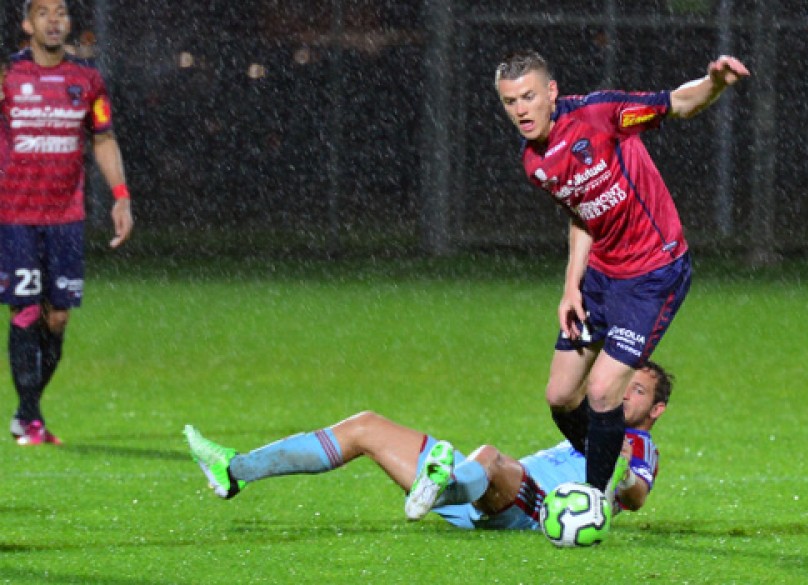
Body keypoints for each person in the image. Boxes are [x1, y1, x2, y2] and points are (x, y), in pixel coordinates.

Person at [493, 50, 748, 493]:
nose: (520, 110)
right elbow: (582, 216)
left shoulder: (600, 115)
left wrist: (716, 84)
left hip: (653, 273)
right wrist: (571, 285)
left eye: (528, 96)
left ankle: (592, 501)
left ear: (551, 93)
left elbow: (677, 103)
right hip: (600, 277)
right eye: (510, 101)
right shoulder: (534, 163)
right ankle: (617, 467)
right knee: (561, 396)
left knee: (603, 391)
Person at [184, 362, 673, 531]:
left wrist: (624, 474)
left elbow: (637, 498)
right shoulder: (593, 422)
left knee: (489, 456)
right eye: (626, 381)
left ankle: (443, 485)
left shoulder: (637, 442)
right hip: (479, 493)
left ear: (656, 411)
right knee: (365, 426)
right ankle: (236, 469)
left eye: (639, 391)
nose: (626, 390)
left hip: (534, 509)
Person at [2, 0, 133, 446]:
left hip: (65, 218)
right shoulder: (8, 77)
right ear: (27, 23)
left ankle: (26, 413)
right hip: (15, 215)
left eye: (60, 12)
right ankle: (30, 417)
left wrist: (121, 197)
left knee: (57, 318)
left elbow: (104, 137)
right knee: (27, 310)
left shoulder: (87, 81)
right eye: (43, 12)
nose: (54, 20)